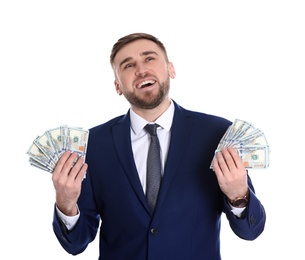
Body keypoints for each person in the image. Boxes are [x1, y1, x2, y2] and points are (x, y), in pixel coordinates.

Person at [52, 32, 266, 260]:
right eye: (128, 65)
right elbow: (76, 244)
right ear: (117, 86)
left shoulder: (217, 133)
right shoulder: (92, 145)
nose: (141, 70)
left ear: (171, 70)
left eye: (149, 58)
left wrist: (239, 195)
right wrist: (65, 203)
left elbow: (250, 231)